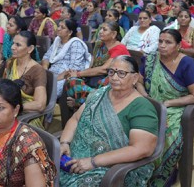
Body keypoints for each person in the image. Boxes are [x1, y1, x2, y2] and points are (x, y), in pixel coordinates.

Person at [59, 56, 158, 187]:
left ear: (134, 78)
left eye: (121, 73)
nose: (115, 77)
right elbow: (75, 119)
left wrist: (93, 162)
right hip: (75, 158)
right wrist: (64, 143)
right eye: (111, 72)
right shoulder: (99, 95)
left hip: (111, 168)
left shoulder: (141, 107)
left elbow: (141, 149)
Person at [136, 29, 194, 186]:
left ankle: (164, 172)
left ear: (179, 45)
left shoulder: (186, 63)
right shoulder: (151, 59)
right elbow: (138, 82)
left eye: (168, 42)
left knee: (164, 128)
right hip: (152, 102)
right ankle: (136, 168)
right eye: (160, 41)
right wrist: (146, 98)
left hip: (177, 105)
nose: (162, 45)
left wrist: (167, 104)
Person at [64, 22, 129, 108]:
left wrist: (78, 74)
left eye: (104, 30)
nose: (100, 31)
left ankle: (83, 103)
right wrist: (77, 74)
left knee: (75, 81)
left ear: (113, 34)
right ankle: (85, 101)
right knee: (70, 80)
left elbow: (104, 69)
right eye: (100, 29)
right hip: (96, 79)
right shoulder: (99, 45)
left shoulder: (120, 48)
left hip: (112, 80)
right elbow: (92, 66)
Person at [41, 19, 91, 96]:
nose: (58, 29)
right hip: (52, 74)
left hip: (65, 78)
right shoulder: (58, 41)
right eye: (59, 26)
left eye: (62, 27)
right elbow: (47, 56)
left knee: (44, 92)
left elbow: (73, 68)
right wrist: (45, 69)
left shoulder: (76, 44)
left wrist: (56, 78)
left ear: (70, 32)